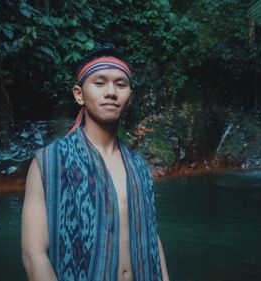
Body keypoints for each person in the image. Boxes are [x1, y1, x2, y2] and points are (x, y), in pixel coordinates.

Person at [21, 44, 170, 281]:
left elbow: (152, 236)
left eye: (120, 84)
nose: (111, 92)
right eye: (99, 83)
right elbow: (34, 255)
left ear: (129, 96)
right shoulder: (50, 162)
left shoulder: (139, 166)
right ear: (79, 94)